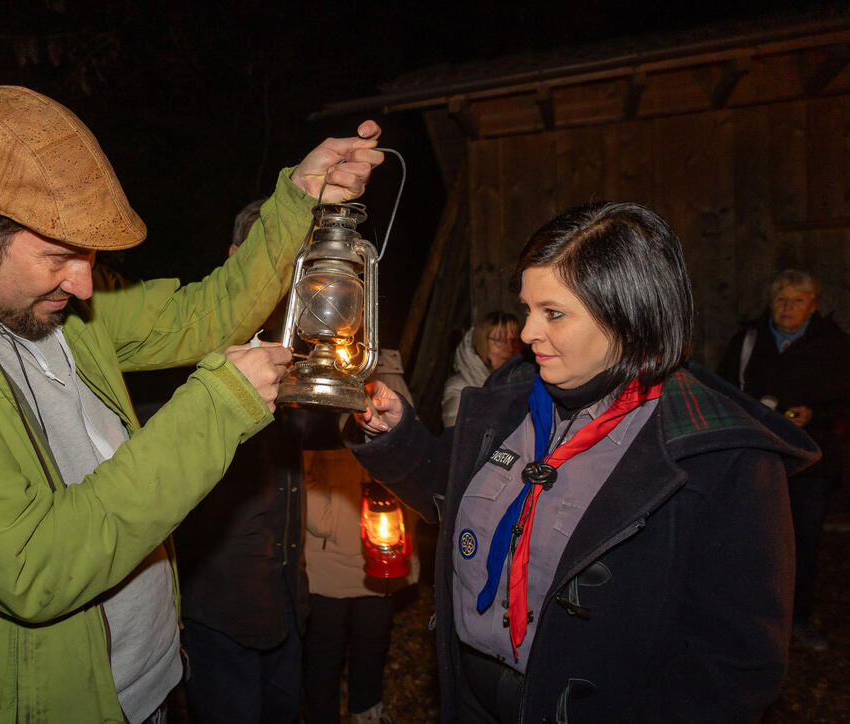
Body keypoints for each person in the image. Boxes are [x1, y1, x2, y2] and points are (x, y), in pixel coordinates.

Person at [0, 84, 382, 723]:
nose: (82, 285)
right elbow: (33, 564)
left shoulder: (33, 295)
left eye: (90, 258)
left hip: (152, 682)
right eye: (59, 256)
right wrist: (215, 406)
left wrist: (296, 199)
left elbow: (202, 314)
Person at [346, 201, 819, 723]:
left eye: (554, 313)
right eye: (527, 308)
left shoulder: (721, 456)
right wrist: (396, 436)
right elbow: (450, 490)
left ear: (628, 315)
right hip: (473, 699)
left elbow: (735, 667)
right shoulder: (509, 397)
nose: (527, 333)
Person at [174, 199, 338, 723]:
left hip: (287, 598)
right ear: (235, 258)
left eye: (293, 262)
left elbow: (311, 440)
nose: (282, 277)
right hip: (220, 610)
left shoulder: (294, 345)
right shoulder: (190, 346)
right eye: (269, 257)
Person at [717, 269, 850, 652]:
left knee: (804, 540)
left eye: (797, 301)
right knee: (754, 538)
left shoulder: (834, 345)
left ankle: (798, 618)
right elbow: (722, 392)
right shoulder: (747, 342)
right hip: (757, 459)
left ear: (813, 305)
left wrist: (816, 416)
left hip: (813, 462)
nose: (787, 308)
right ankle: (753, 620)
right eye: (780, 300)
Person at [300, 349, 421, 724]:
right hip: (328, 557)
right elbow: (302, 466)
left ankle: (366, 710)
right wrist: (329, 521)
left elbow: (413, 461)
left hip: (381, 553)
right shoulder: (321, 379)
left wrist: (400, 533)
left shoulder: (392, 382)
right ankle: (321, 715)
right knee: (324, 647)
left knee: (373, 640)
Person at [442, 313, 522, 427]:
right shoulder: (461, 388)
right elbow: (460, 436)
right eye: (499, 340)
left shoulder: (526, 381)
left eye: (515, 340)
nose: (509, 348)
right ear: (482, 343)